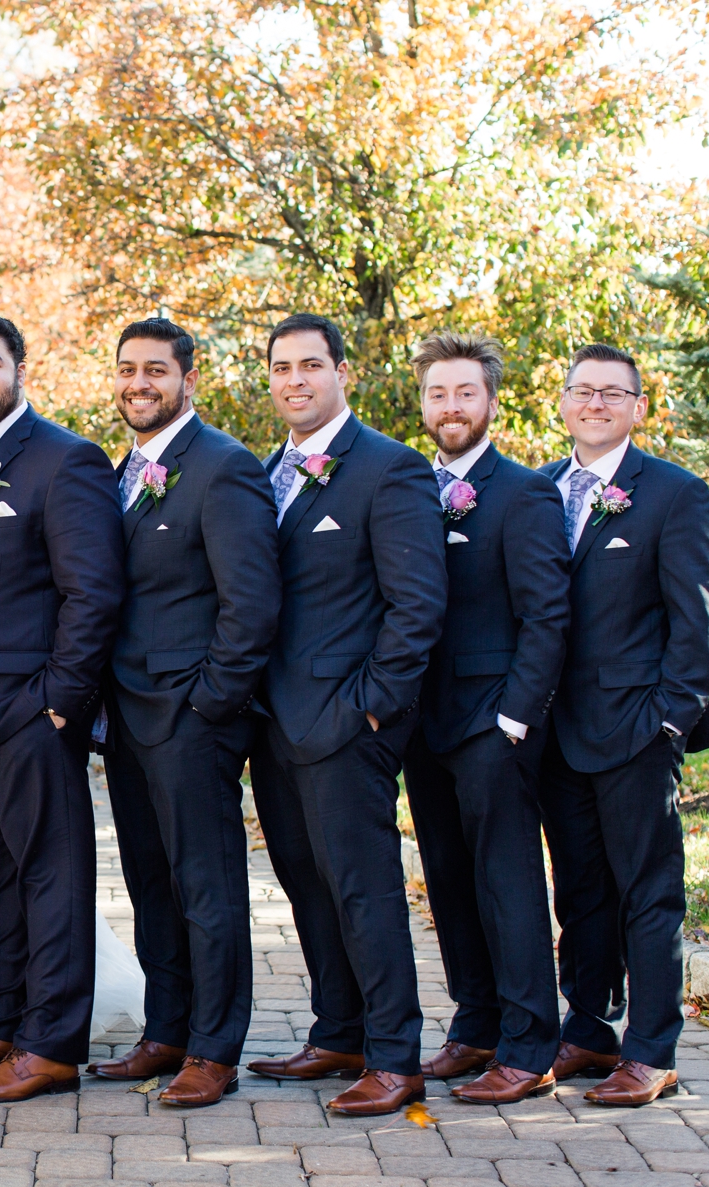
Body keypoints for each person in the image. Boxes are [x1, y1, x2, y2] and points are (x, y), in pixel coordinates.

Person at [0, 310, 126, 1103]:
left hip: (33, 712)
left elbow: (93, 592)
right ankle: (3, 1019)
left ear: (19, 369)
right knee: (5, 875)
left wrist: (60, 704)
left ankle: (52, 1045)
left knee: (54, 876)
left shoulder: (66, 460)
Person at [244, 313, 446, 1117]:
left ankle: (396, 1059)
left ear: (342, 373)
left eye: (311, 366)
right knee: (306, 882)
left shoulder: (388, 469)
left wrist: (369, 709)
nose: (296, 380)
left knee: (364, 891)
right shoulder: (267, 471)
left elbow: (417, 605)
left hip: (346, 723)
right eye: (282, 368)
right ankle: (339, 1031)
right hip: (275, 722)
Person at [93, 318, 279, 1107]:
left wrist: (211, 704)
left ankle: (214, 1048)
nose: (140, 383)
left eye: (156, 371)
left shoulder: (225, 468)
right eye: (128, 370)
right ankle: (165, 1030)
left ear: (187, 380)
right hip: (128, 717)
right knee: (150, 883)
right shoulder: (119, 472)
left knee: (207, 887)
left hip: (192, 716)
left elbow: (252, 603)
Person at [538, 343, 709, 1107]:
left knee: (649, 894)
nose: (596, 404)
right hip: (555, 733)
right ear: (563, 402)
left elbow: (698, 616)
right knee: (579, 891)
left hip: (637, 729)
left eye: (613, 393)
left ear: (639, 407)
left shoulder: (674, 493)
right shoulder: (540, 489)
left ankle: (653, 1047)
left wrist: (670, 721)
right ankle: (587, 1027)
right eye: (582, 390)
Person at [400, 334, 569, 1105]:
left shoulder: (525, 492)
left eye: (465, 393)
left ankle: (530, 1045)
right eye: (439, 394)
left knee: (507, 881)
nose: (451, 407)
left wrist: (515, 720)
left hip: (493, 722)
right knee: (448, 880)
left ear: (492, 401)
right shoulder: (408, 484)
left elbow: (547, 615)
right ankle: (476, 1026)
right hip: (424, 721)